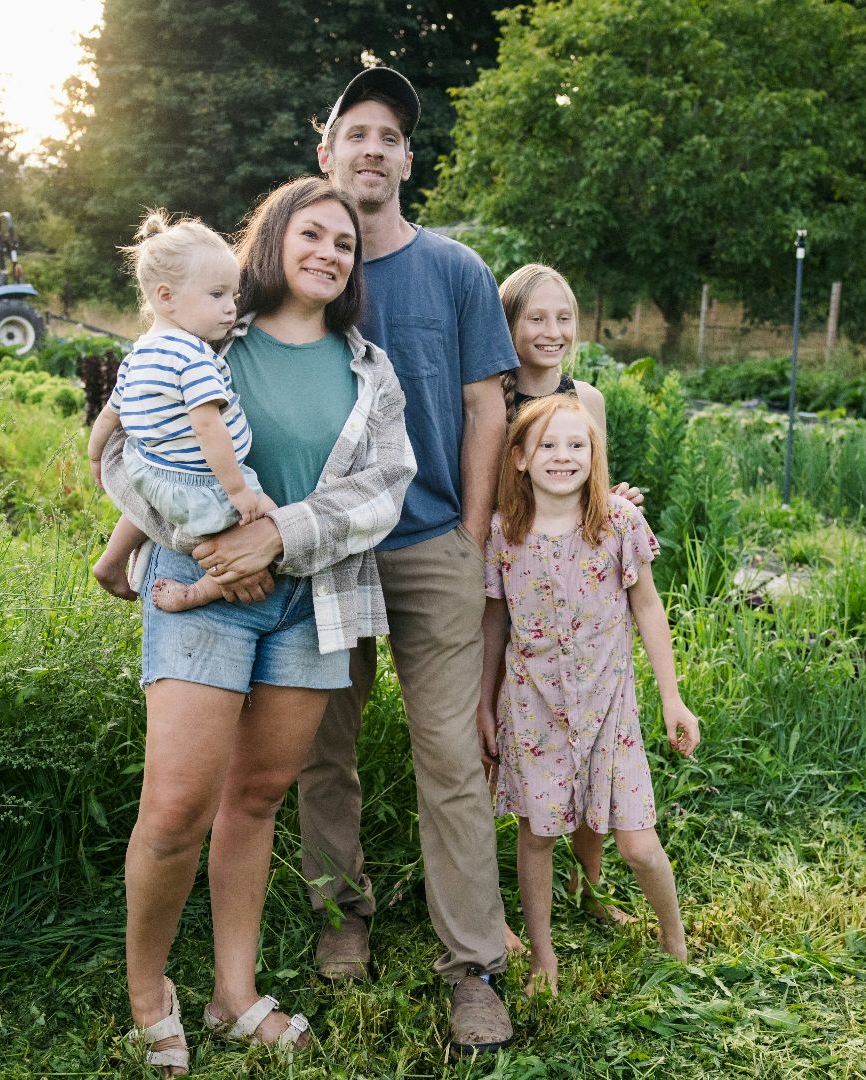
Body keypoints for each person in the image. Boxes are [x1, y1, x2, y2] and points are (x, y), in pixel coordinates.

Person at [96, 177, 415, 1076]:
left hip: (315, 603)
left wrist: (277, 536)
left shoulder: (369, 370)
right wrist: (206, 548)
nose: (328, 253)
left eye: (344, 244)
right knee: (175, 807)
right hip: (202, 589)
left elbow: (384, 489)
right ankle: (148, 992)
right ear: (271, 242)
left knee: (257, 796)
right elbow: (131, 451)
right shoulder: (205, 336)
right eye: (310, 234)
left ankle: (233, 996)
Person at [296, 66, 521, 1054]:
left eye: (391, 135)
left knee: (450, 761)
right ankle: (340, 916)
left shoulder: (457, 273)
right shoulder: (299, 267)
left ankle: (471, 966)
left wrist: (471, 538)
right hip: (331, 549)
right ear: (327, 153)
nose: (375, 148)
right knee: (323, 748)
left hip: (431, 545)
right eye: (358, 131)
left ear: (408, 162)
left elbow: (486, 408)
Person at [477, 394, 701, 997]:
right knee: (539, 836)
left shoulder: (618, 524)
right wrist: (482, 701)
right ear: (520, 458)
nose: (563, 456)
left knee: (639, 846)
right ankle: (544, 959)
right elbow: (495, 624)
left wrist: (672, 698)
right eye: (548, 445)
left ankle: (674, 940)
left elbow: (648, 608)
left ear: (594, 455)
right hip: (533, 708)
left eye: (577, 444)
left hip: (610, 712)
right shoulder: (504, 533)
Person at [89, 212, 272, 613]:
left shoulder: (140, 353)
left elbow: (109, 415)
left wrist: (95, 457)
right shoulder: (192, 356)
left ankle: (112, 560)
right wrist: (238, 490)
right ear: (166, 296)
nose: (230, 309)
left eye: (233, 297)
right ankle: (200, 590)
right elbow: (208, 426)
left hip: (148, 469)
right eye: (217, 295)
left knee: (151, 500)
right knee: (269, 525)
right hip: (199, 483)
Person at [498, 263, 606, 432]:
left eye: (563, 318)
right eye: (536, 319)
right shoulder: (486, 404)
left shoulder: (589, 400)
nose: (553, 333)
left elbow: (598, 460)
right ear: (507, 325)